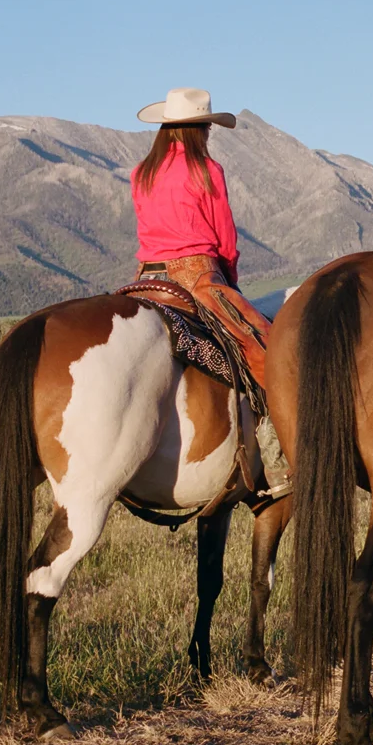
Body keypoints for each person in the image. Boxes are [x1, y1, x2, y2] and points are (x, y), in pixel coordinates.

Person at [131, 86, 290, 499]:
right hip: (196, 277)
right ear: (201, 129)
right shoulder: (206, 170)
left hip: (145, 280)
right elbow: (226, 240)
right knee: (267, 353)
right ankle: (278, 459)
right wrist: (229, 282)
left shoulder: (141, 172)